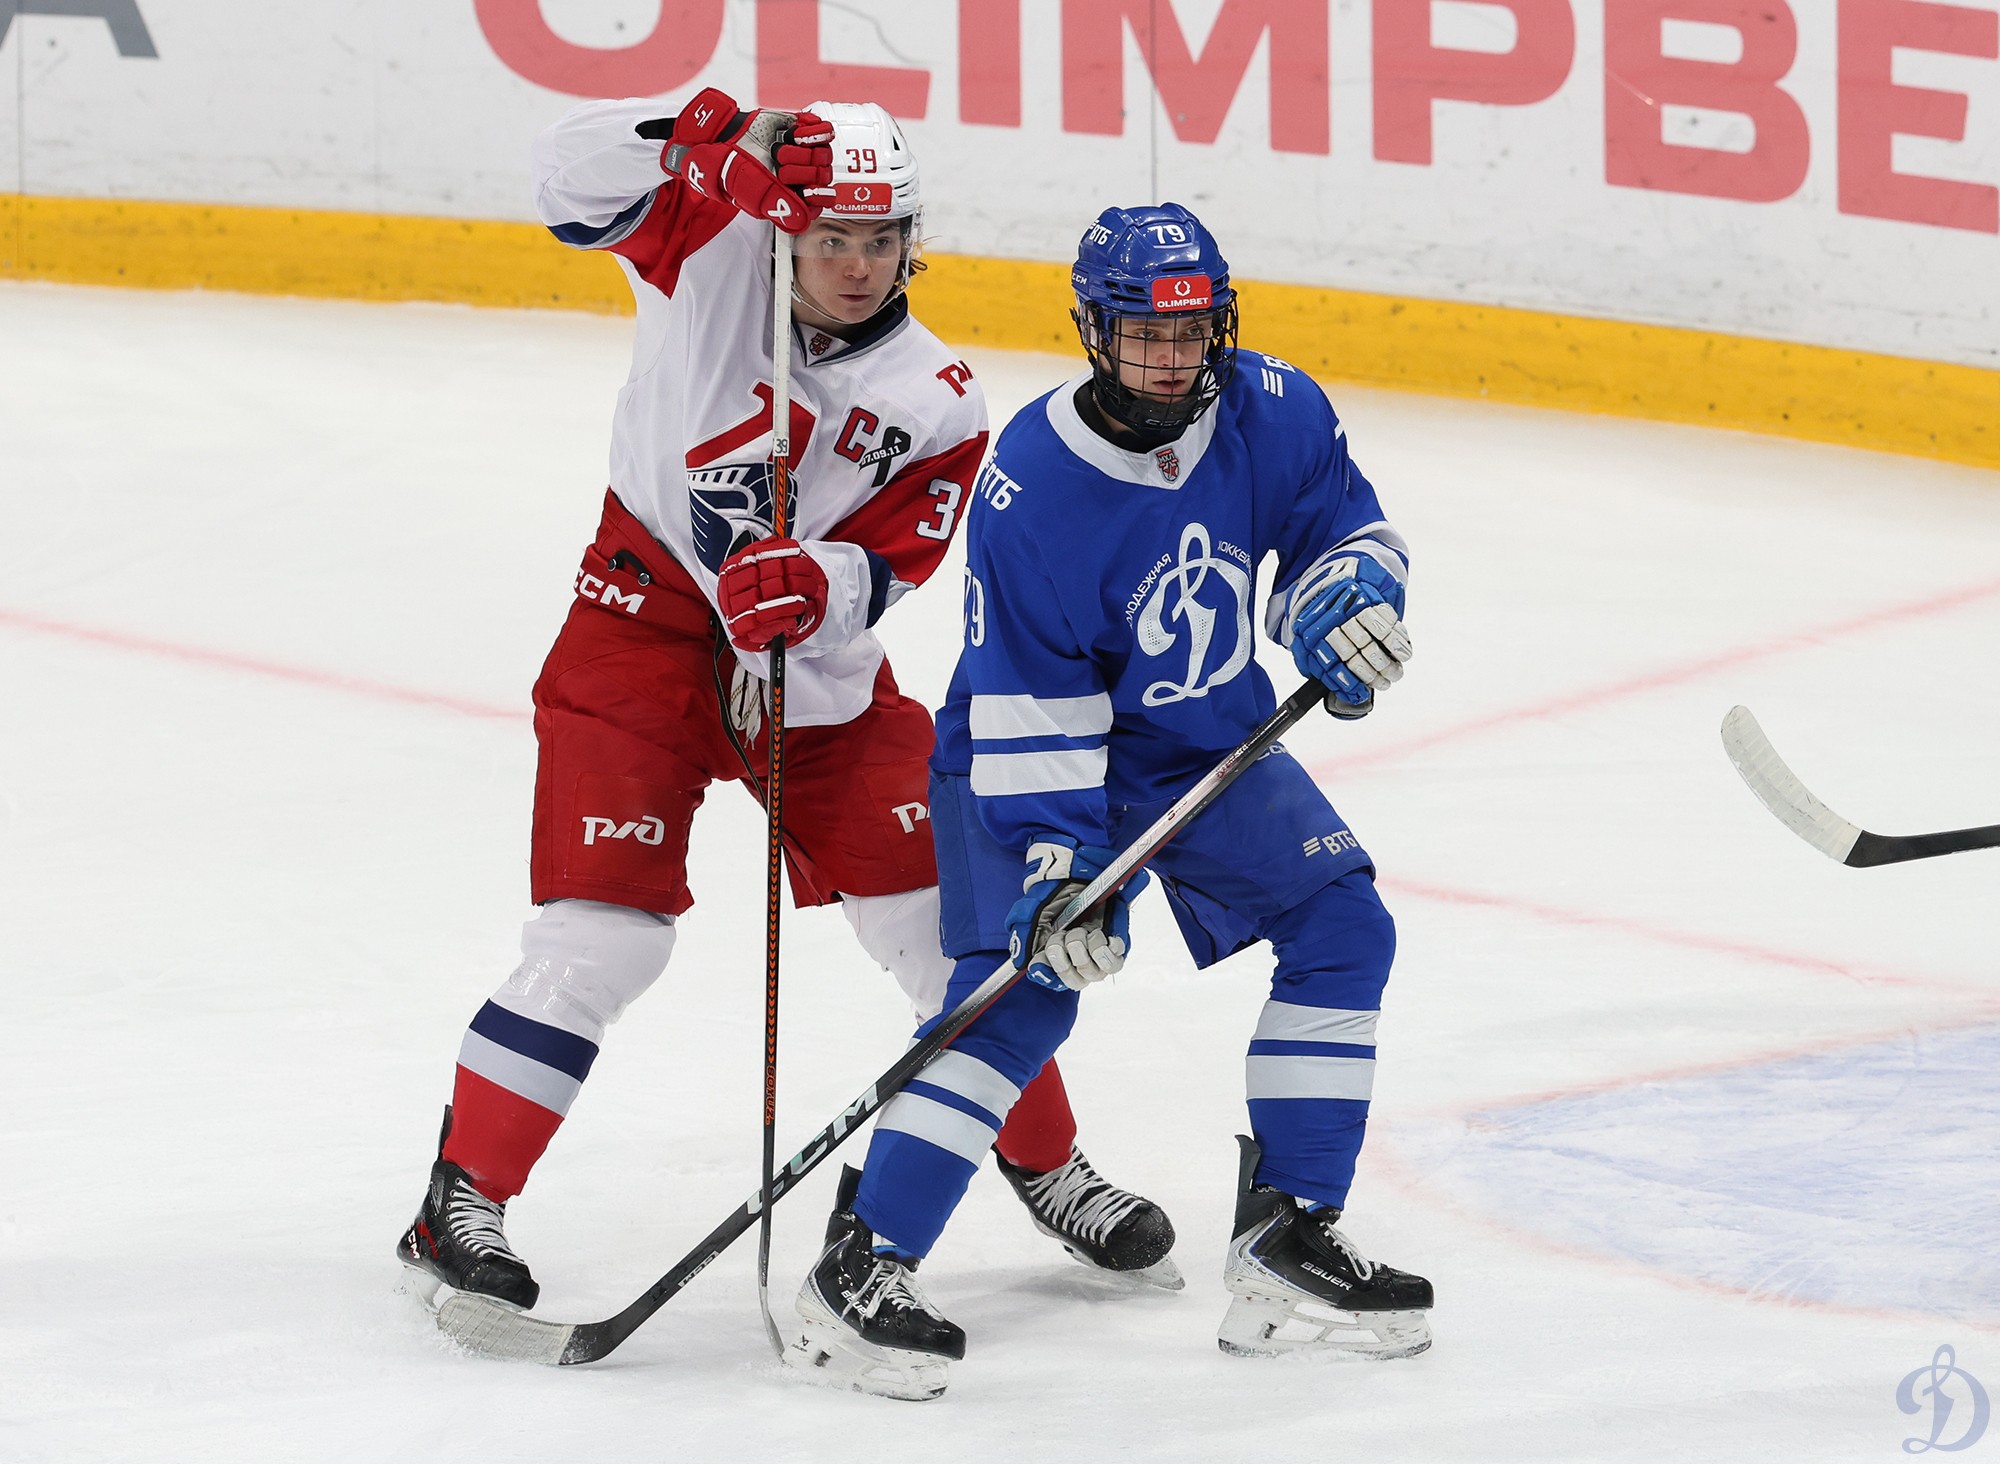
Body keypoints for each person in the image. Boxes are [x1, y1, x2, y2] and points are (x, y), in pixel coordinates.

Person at [395, 92, 1176, 1315]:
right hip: (639, 634)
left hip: (817, 682)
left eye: (882, 239)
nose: (858, 265)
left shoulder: (939, 394)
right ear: (783, 229)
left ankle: (1046, 1162)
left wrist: (824, 583)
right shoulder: (707, 249)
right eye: (829, 238)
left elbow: (899, 558)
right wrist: (698, 135)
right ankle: (461, 1200)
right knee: (602, 939)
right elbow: (563, 176)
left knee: (955, 945)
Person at [784, 204, 1434, 1400]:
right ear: (1093, 330)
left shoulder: (1273, 405)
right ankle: (864, 1264)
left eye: (1190, 333)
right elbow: (1031, 693)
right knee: (1019, 999)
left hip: (1200, 744)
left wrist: (1342, 598)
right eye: (1144, 335)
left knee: (1344, 924)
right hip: (1033, 758)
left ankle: (1289, 1233)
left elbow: (1339, 525)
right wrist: (1056, 872)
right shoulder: (1032, 484)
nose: (1172, 358)